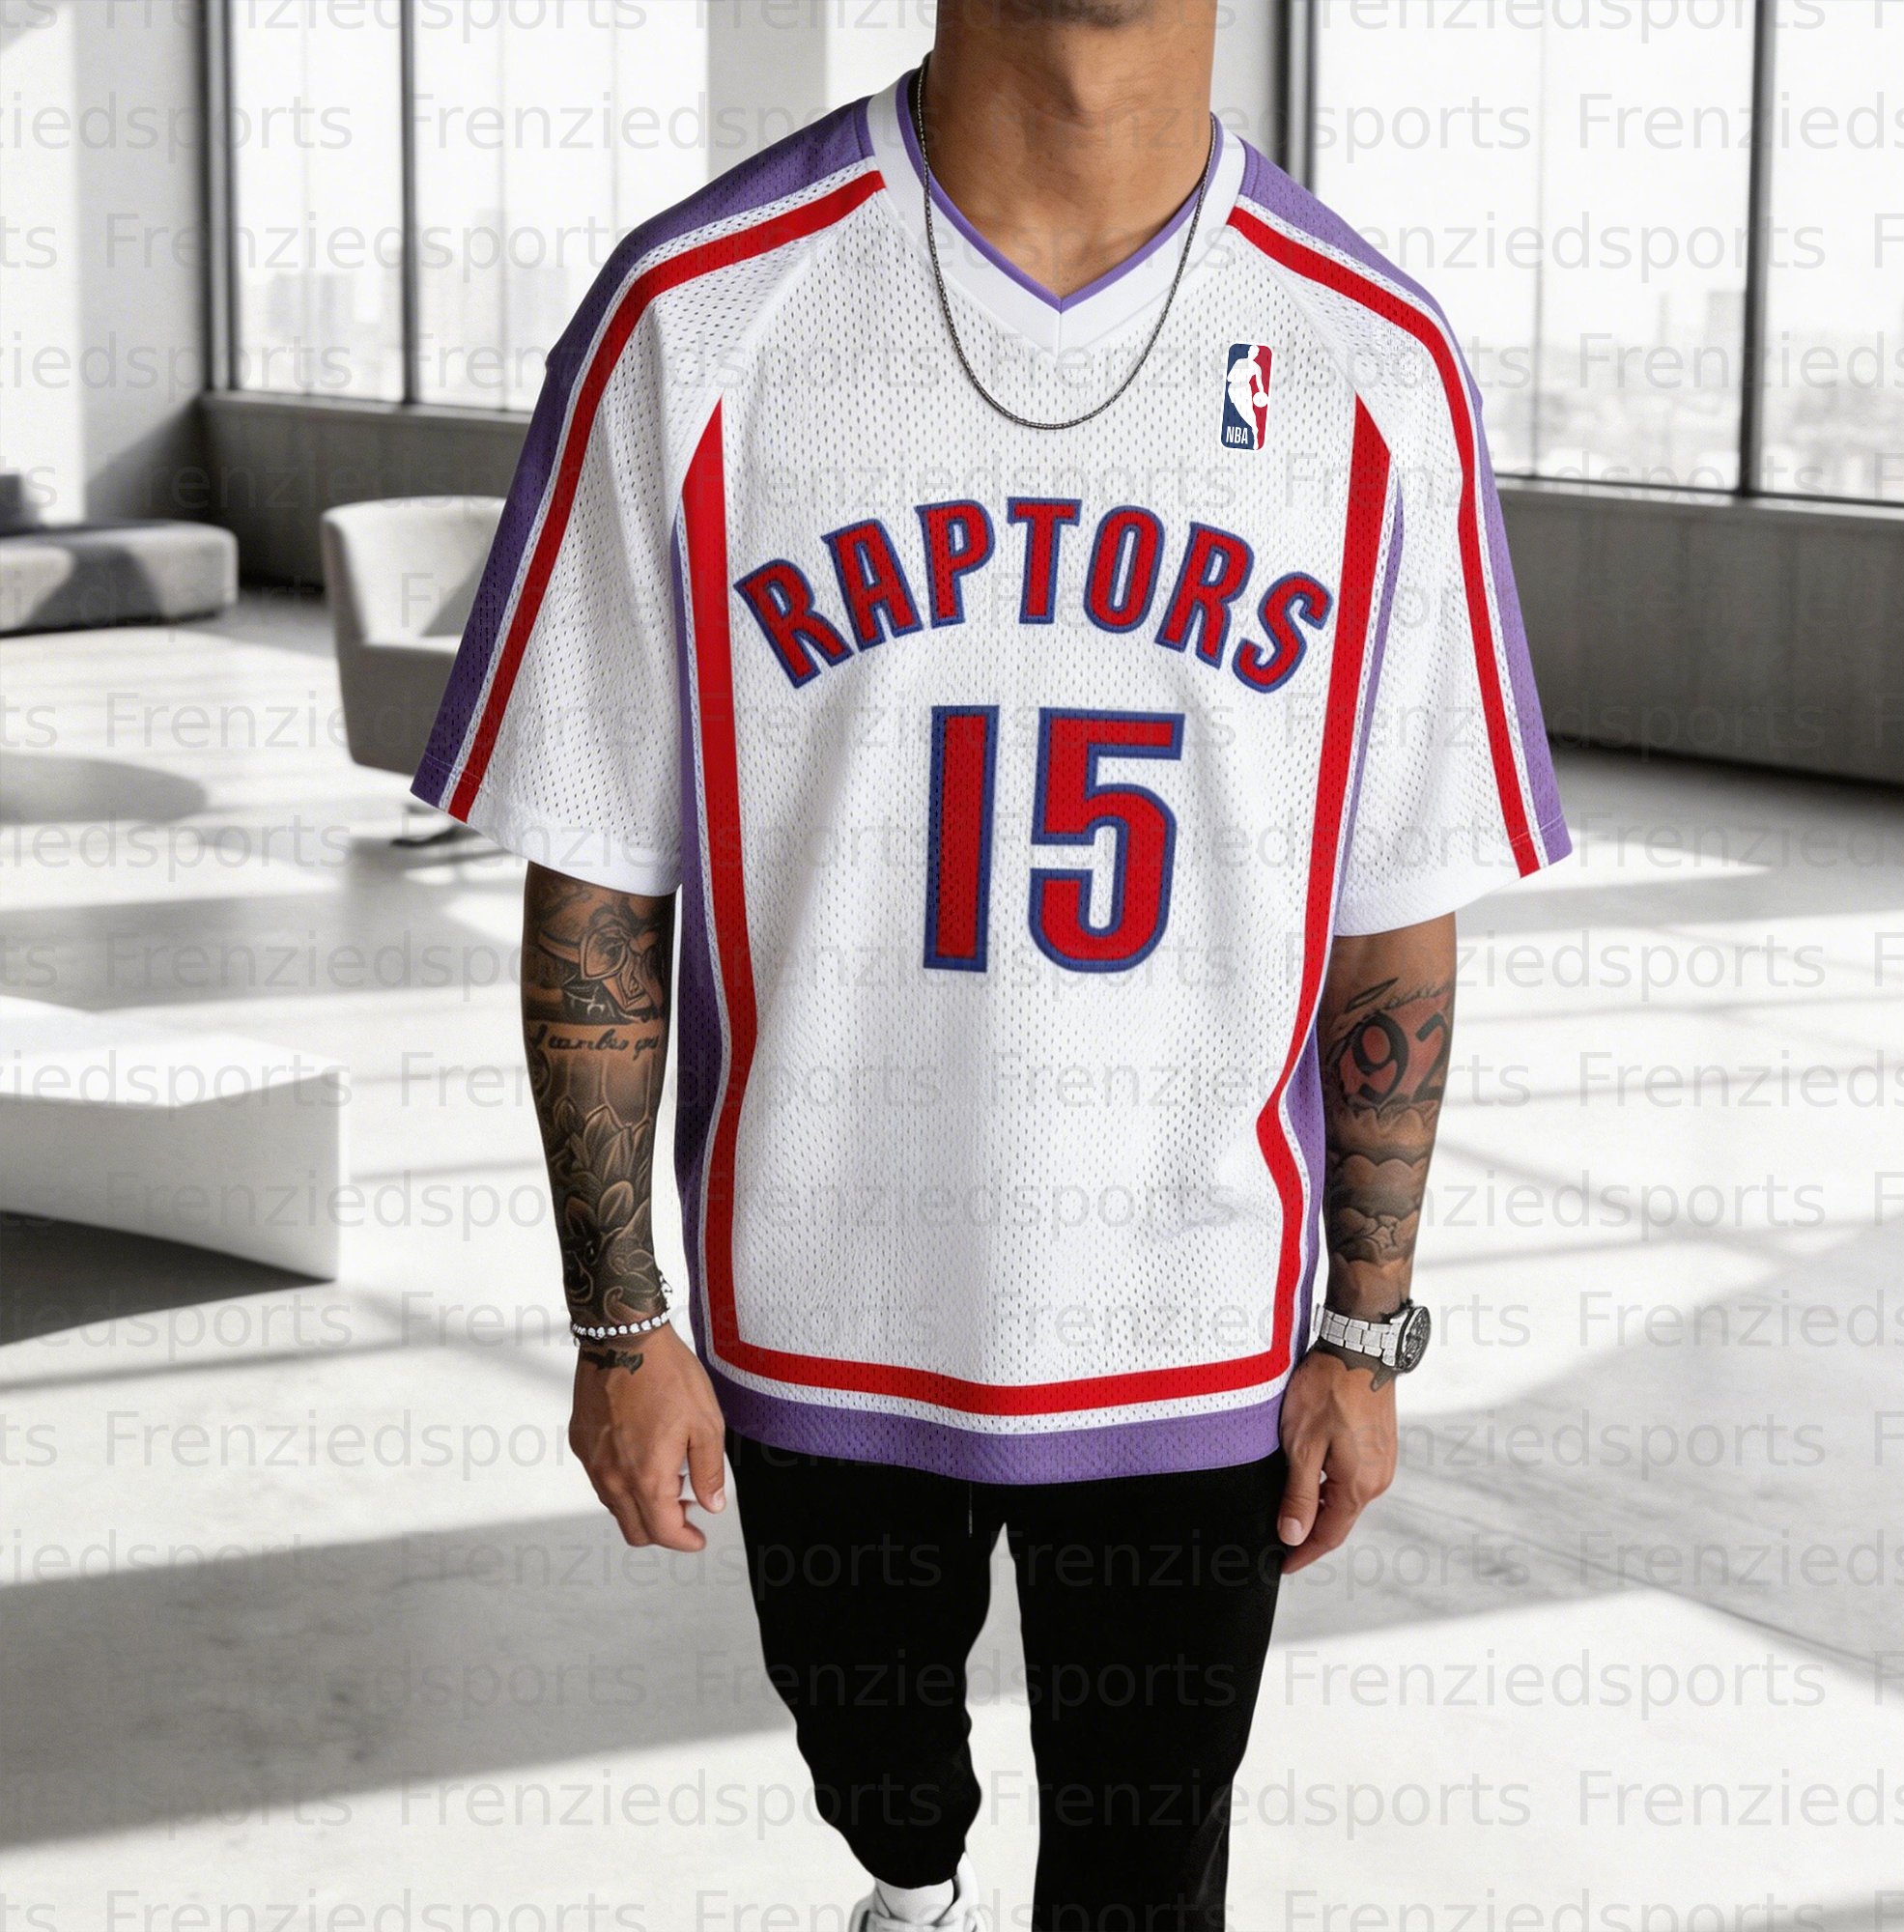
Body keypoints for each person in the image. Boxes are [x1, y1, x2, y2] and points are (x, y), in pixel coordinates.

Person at [413, 3, 1570, 1926]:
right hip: (823, 1299)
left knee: (1145, 1866)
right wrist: (620, 1326)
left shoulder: (1373, 357)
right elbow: (601, 873)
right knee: (881, 1781)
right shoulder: (696, 312)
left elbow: (1393, 910)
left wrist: (1363, 1333)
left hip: (1193, 1321)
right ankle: (908, 1882)